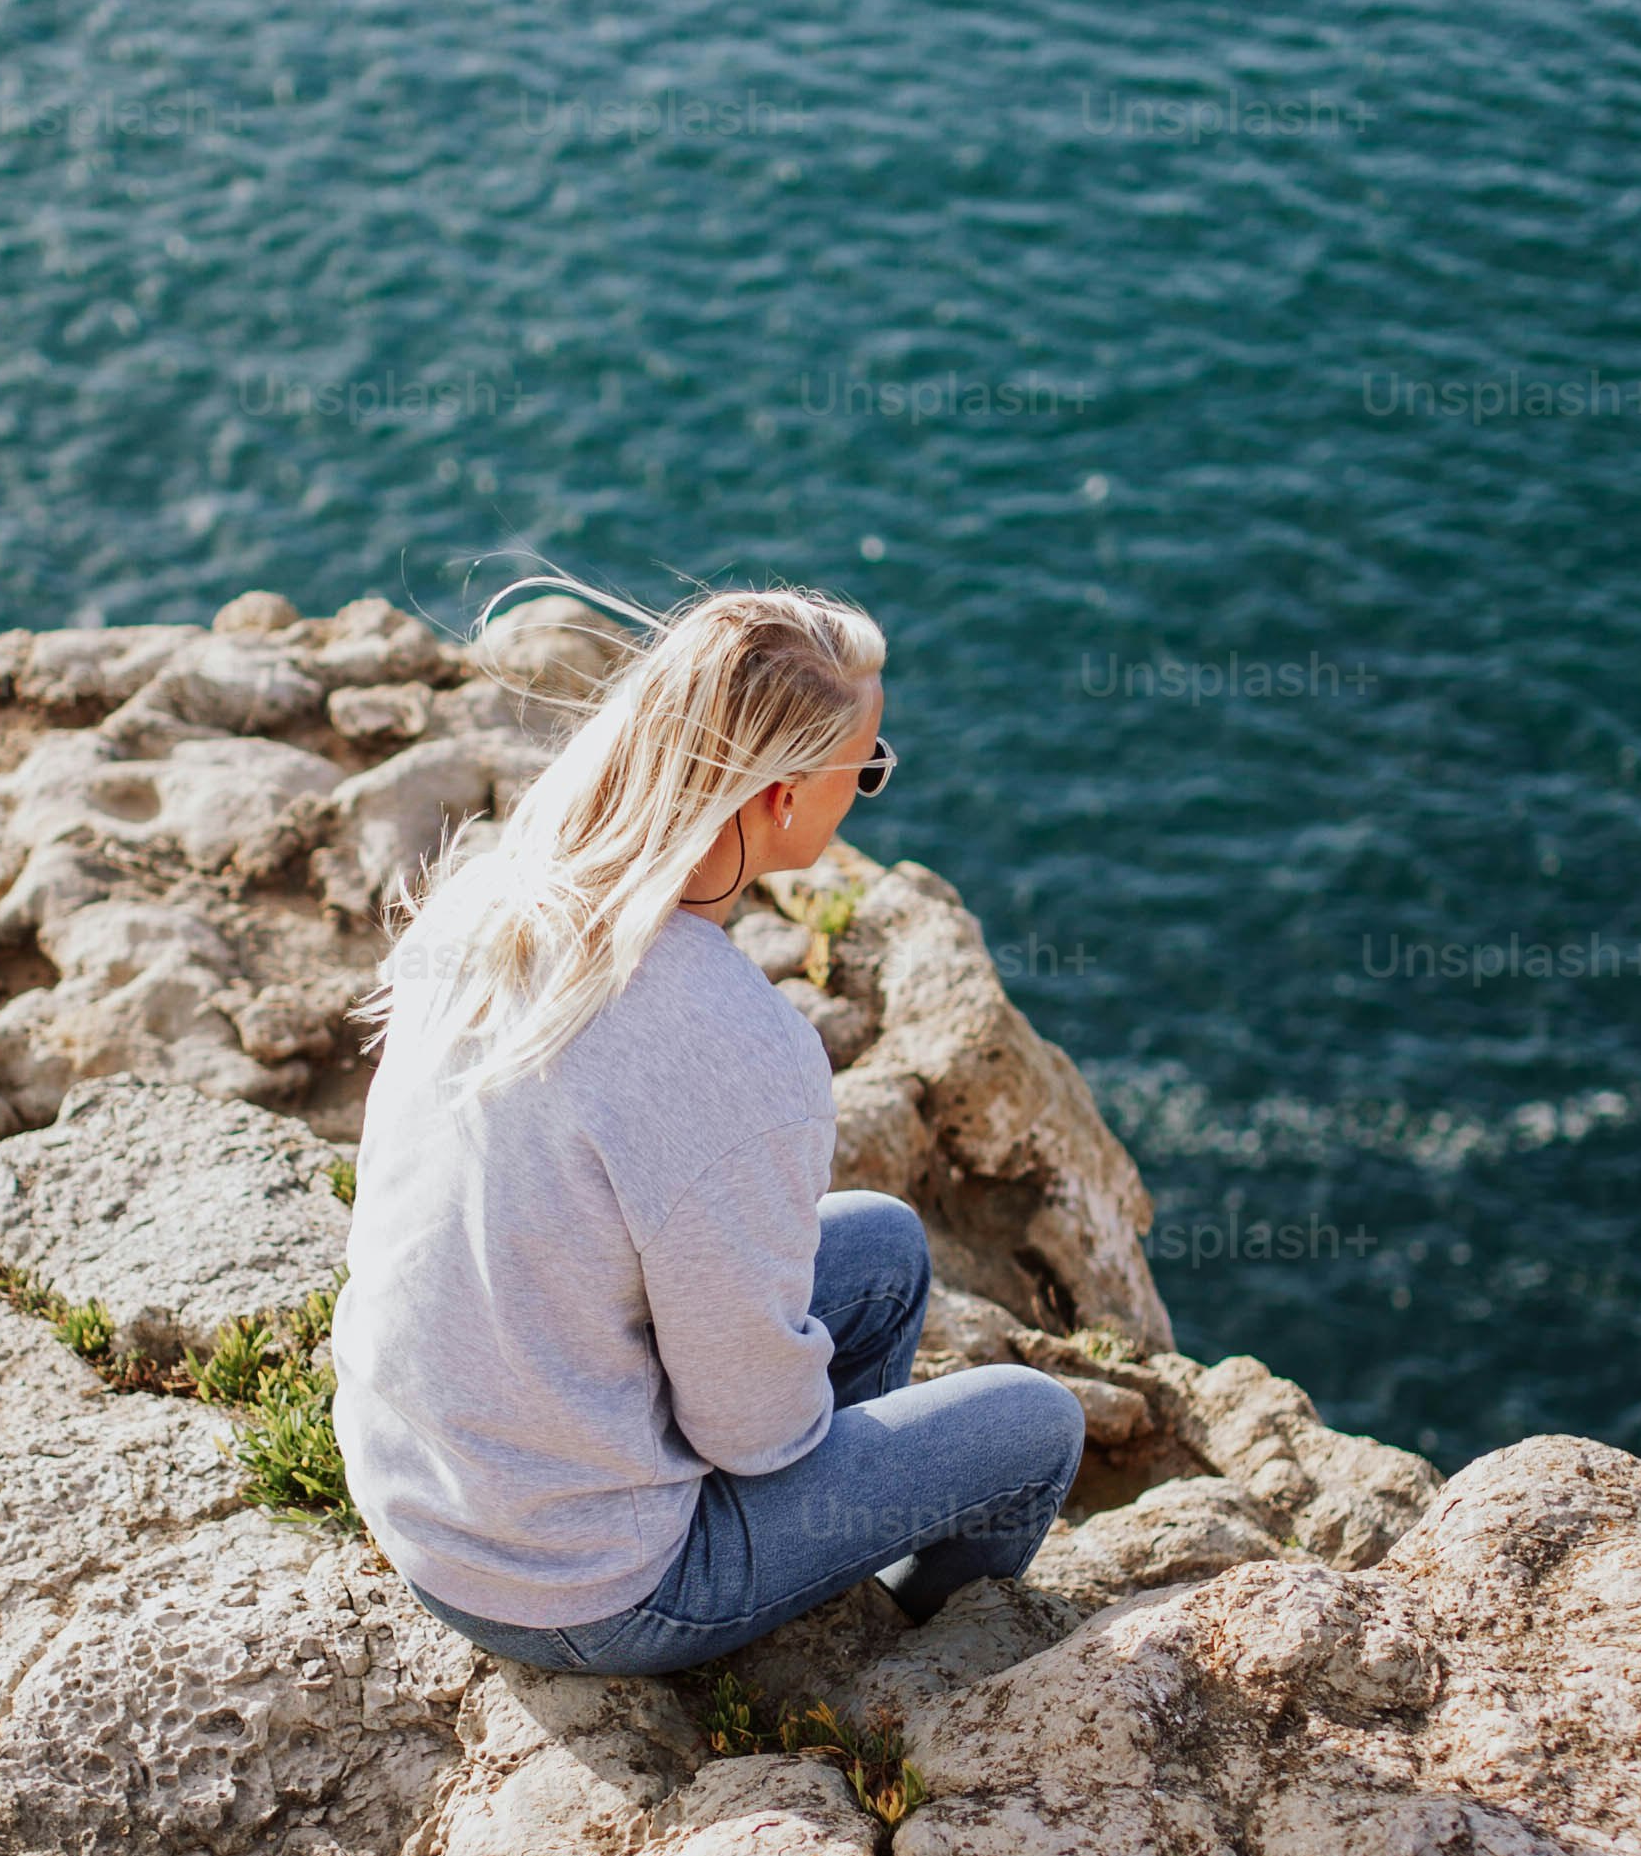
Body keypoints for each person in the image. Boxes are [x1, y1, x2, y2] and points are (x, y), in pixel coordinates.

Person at [333, 582, 1092, 1677]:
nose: (870, 789)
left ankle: (800, 1558)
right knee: (1034, 1425)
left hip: (422, 1489)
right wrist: (777, 1408)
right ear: (782, 801)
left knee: (882, 1246)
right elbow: (756, 1434)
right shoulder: (735, 1048)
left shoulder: (494, 896)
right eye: (864, 772)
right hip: (578, 1585)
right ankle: (905, 1672)